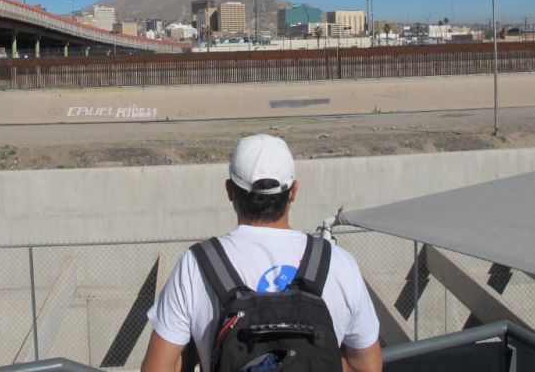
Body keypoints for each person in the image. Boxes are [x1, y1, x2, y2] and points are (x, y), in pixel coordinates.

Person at [142, 133, 382, 372]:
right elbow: (365, 366)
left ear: (230, 190)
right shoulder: (338, 263)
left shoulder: (196, 266)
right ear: (294, 191)